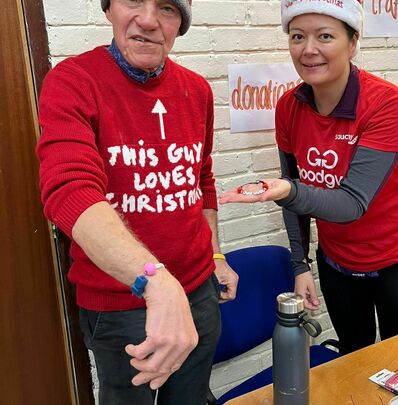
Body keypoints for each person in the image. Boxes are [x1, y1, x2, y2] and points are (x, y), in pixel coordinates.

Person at [36, 0, 238, 404]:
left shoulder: (196, 89)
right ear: (108, 9)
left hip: (199, 291)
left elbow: (200, 179)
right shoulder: (73, 80)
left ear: (181, 22)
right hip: (120, 303)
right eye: (132, 0)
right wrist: (154, 280)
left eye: (166, 7)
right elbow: (69, 191)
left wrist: (215, 256)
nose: (147, 20)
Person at [219, 0, 398, 354]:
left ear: (352, 43)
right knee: (353, 356)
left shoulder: (386, 103)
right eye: (297, 36)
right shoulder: (289, 106)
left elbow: (352, 203)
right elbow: (293, 197)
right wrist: (300, 264)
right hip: (338, 262)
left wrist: (287, 190)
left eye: (325, 36)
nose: (309, 49)